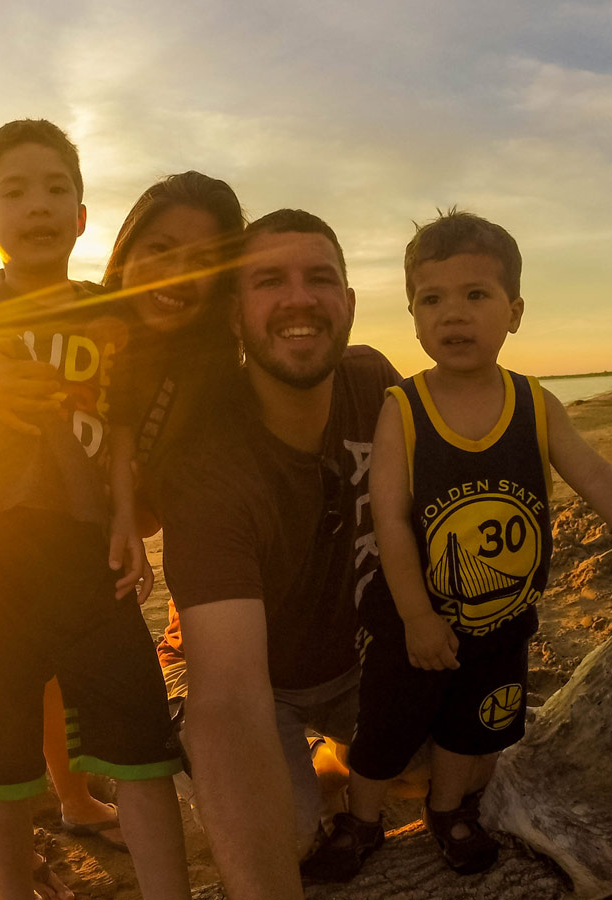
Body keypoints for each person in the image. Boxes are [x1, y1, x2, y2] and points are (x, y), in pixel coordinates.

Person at [0, 120, 238, 900]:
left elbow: (114, 428)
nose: (36, 205)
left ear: (80, 215)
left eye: (55, 189)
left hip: (88, 558)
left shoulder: (104, 313)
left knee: (139, 741)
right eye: (13, 192)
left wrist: (121, 521)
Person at [303, 209, 612, 882]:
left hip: (500, 621)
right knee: (385, 729)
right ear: (411, 316)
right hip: (412, 624)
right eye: (431, 300)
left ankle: (446, 809)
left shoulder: (534, 403)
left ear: (513, 311)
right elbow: (390, 521)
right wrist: (414, 616)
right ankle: (362, 818)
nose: (452, 314)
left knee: (474, 728)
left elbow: (595, 478)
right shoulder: (402, 408)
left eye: (475, 295)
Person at [159, 209, 400, 899]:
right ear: (234, 314)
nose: (299, 298)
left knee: (462, 760)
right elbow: (230, 699)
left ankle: (324, 758)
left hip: (350, 665)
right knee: (289, 842)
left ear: (348, 304)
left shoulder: (373, 383)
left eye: (319, 278)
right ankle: (231, 759)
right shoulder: (209, 463)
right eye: (269, 281)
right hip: (249, 684)